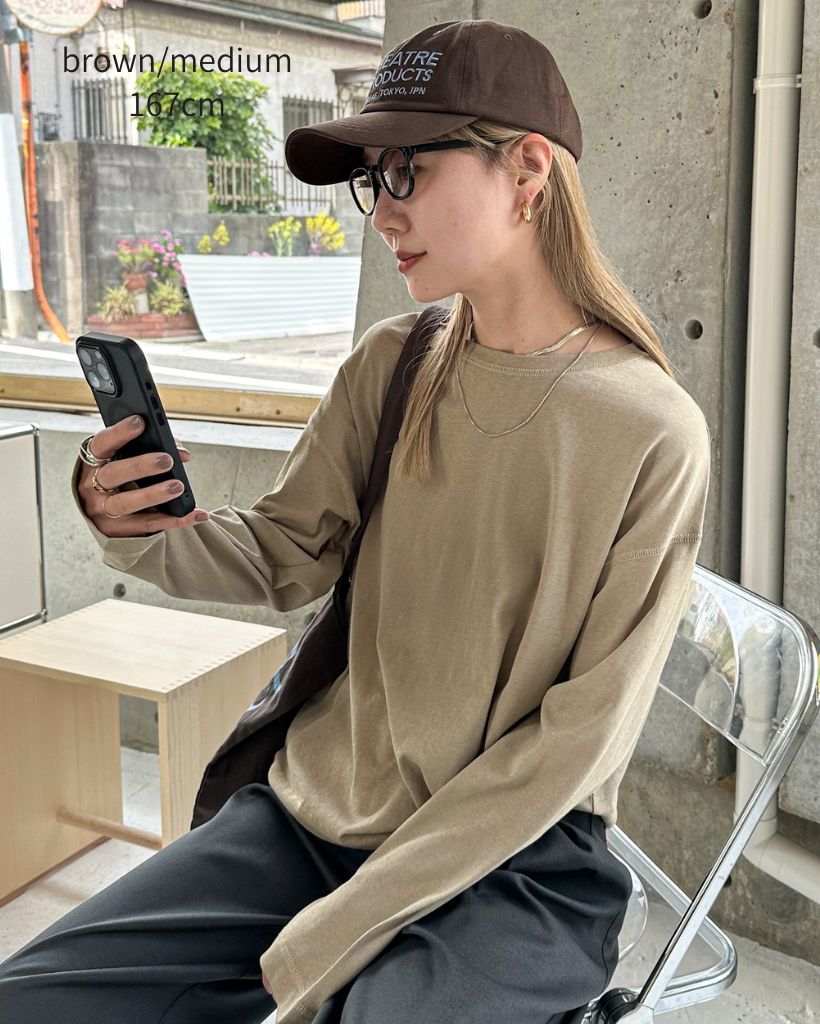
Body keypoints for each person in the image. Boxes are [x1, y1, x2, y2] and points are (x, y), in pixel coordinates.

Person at [0, 17, 711, 1024]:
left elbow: (572, 745)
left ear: (528, 169)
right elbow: (283, 554)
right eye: (373, 179)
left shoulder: (652, 431)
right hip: (317, 809)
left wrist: (346, 925)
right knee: (33, 996)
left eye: (408, 170)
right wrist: (139, 521)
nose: (382, 211)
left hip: (520, 860)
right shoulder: (396, 363)